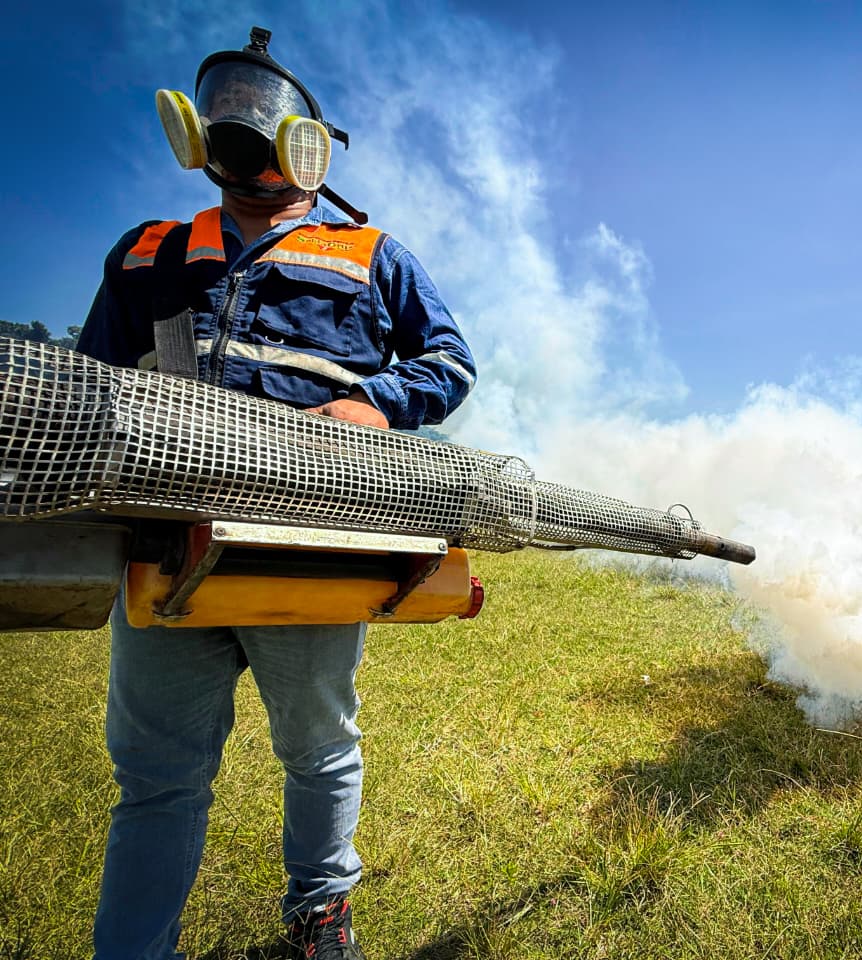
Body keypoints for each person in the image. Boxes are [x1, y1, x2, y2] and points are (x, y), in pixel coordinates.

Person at [77, 26, 476, 960]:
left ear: (306, 142)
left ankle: (321, 914)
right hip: (162, 542)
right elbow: (93, 386)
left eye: (263, 113)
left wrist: (373, 403)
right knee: (158, 777)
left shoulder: (371, 251)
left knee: (318, 746)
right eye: (228, 109)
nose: (241, 127)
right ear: (197, 131)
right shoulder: (146, 252)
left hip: (313, 543)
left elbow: (448, 362)